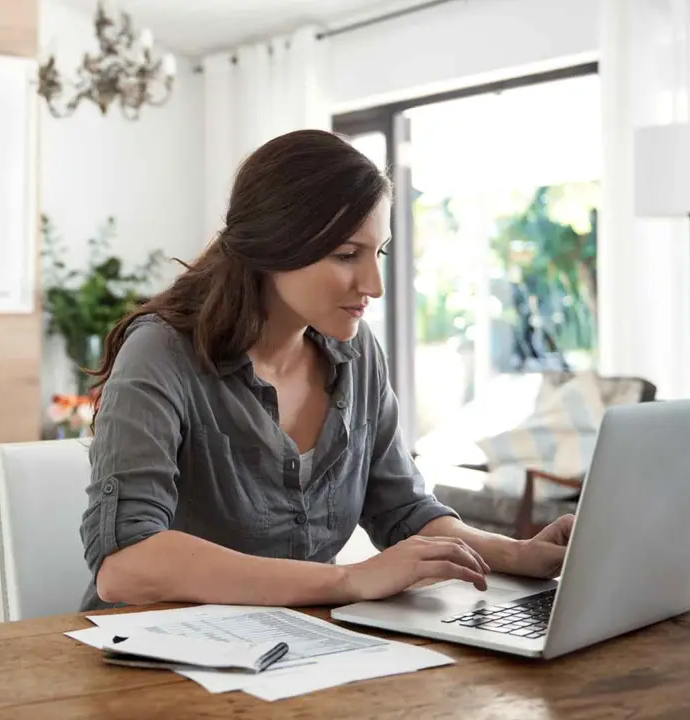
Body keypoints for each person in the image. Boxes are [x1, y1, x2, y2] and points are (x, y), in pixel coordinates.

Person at [78, 129, 574, 612]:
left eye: (377, 252)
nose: (374, 284)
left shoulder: (358, 355)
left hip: (298, 649)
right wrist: (348, 579)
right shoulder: (160, 353)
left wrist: (519, 553)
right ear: (275, 247)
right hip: (153, 654)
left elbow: (402, 510)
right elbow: (126, 563)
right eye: (346, 255)